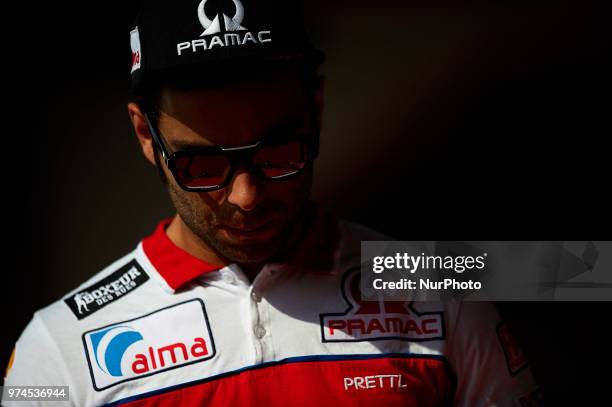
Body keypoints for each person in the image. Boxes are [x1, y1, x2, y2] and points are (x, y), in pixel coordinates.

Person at [3, 1, 541, 406]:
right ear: (146, 135)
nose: (246, 196)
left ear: (318, 114)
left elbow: (578, 269)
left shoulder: (441, 291)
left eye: (279, 153)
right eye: (202, 166)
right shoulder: (58, 348)